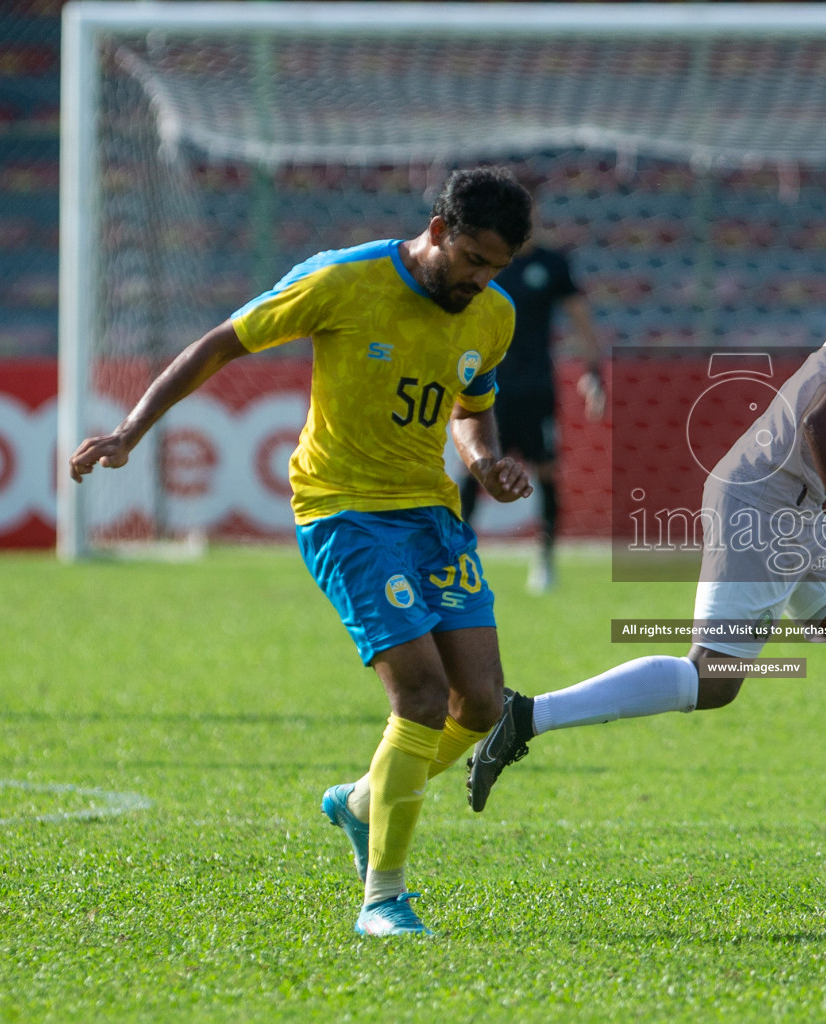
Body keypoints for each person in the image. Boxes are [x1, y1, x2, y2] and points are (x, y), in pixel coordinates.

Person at [69, 166, 536, 937]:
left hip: (430, 515)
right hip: (344, 512)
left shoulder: (493, 314)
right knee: (418, 697)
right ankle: (382, 900)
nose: (480, 279)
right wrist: (131, 430)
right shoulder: (341, 281)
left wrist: (484, 461)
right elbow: (221, 344)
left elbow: (470, 404)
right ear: (440, 229)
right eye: (473, 259)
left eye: (496, 268)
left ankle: (361, 804)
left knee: (480, 703)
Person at [469, 217, 826, 883]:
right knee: (712, 679)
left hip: (793, 509)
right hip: (766, 503)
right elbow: (822, 425)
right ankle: (523, 717)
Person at [458, 176, 606, 594]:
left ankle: (544, 559)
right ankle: (458, 556)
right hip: (487, 388)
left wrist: (593, 376)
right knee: (476, 469)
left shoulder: (552, 264)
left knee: (546, 472)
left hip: (538, 388)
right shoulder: (486, 263)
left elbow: (583, 326)